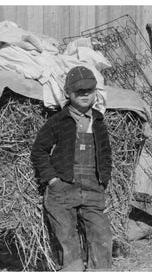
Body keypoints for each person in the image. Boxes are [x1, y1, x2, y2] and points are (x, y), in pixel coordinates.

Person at [31, 66, 113, 271]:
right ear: (68, 93)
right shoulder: (58, 121)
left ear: (96, 92)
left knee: (102, 236)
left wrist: (103, 180)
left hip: (93, 189)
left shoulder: (99, 121)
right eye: (79, 90)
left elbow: (106, 153)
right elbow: (39, 151)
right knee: (66, 237)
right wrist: (52, 180)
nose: (85, 94)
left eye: (90, 90)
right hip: (63, 189)